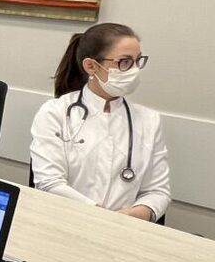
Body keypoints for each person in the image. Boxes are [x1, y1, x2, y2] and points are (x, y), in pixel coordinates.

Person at [30, 22, 170, 221]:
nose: (134, 70)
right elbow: (49, 183)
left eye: (138, 61)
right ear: (91, 66)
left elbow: (158, 191)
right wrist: (100, 216)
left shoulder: (149, 120)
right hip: (65, 221)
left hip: (126, 228)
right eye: (124, 62)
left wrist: (135, 215)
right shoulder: (56, 113)